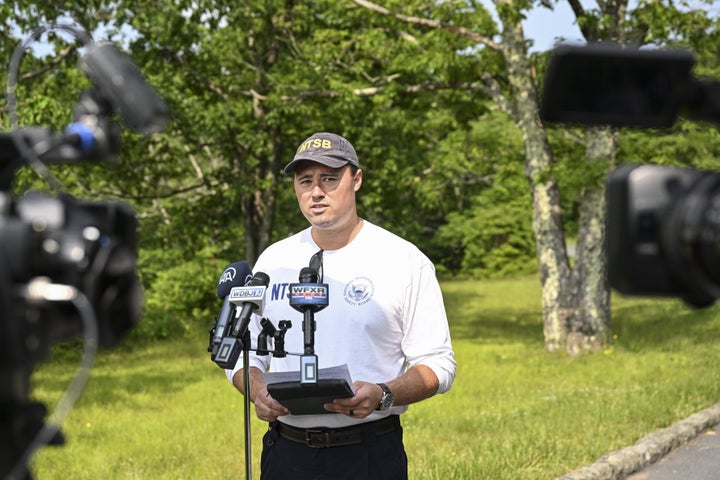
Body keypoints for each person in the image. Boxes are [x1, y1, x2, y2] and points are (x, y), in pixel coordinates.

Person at [226, 132, 456, 480]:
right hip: (286, 452)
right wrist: (258, 391)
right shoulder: (272, 261)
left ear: (357, 179)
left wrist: (383, 394)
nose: (316, 191)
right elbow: (243, 355)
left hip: (369, 453)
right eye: (305, 181)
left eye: (329, 178)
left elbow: (438, 364)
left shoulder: (404, 260)